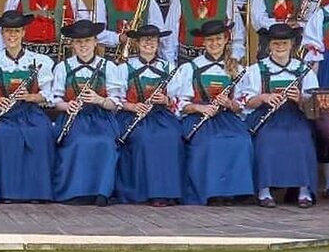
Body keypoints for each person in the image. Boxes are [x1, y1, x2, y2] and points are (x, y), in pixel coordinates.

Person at [168, 19, 253, 206]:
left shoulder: (237, 69)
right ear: (204, 42)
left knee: (241, 140)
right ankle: (212, 192)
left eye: (218, 39)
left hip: (226, 117)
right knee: (211, 142)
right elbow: (178, 102)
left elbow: (243, 102)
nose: (214, 43)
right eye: (210, 40)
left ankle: (234, 191)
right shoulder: (190, 68)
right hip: (198, 118)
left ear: (225, 40)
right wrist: (199, 108)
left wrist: (230, 103)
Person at [0, 10, 56, 203]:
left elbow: (48, 94)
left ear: (23, 33)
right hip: (3, 114)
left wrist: (31, 96)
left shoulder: (39, 61)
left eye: (16, 31)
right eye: (7, 31)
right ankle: (7, 191)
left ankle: (36, 192)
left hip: (30, 112)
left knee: (41, 132)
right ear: (2, 33)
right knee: (3, 135)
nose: (12, 35)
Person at [240, 24, 318, 208]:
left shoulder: (304, 69)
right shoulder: (256, 69)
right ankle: (264, 191)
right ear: (269, 45)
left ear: (292, 44)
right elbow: (246, 101)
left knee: (302, 137)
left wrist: (299, 99)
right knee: (267, 138)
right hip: (266, 117)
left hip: (295, 116)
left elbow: (314, 104)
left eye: (284, 43)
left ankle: (304, 191)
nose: (280, 47)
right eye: (276, 43)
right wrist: (263, 97)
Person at [51, 20, 123, 205]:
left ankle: (101, 192)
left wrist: (99, 100)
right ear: (72, 44)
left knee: (106, 143)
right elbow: (55, 100)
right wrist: (67, 106)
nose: (83, 45)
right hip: (73, 118)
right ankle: (76, 192)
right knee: (78, 142)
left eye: (87, 40)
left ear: (95, 42)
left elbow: (115, 103)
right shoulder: (63, 67)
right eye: (78, 41)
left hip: (101, 118)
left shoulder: (108, 67)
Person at [115, 24, 183, 206]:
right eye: (144, 39)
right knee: (145, 139)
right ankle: (147, 192)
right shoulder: (125, 67)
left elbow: (177, 98)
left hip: (160, 115)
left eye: (153, 40)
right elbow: (117, 99)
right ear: (137, 43)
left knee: (172, 136)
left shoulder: (169, 67)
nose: (149, 43)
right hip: (132, 116)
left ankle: (167, 192)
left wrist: (166, 100)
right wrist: (133, 106)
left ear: (158, 43)